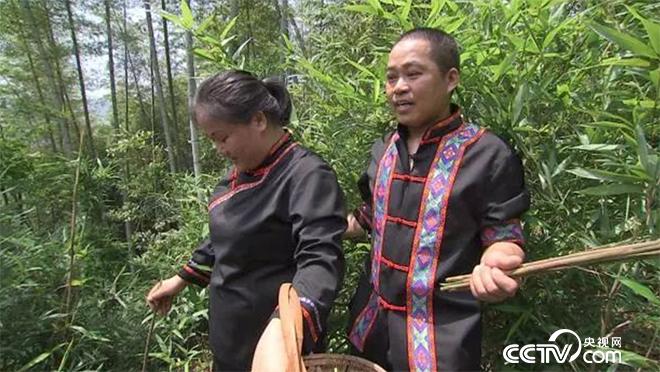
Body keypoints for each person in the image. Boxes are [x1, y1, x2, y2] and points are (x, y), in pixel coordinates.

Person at [344, 28, 530, 371]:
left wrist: (498, 264)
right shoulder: (384, 149)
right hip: (371, 327)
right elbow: (371, 216)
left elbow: (503, 234)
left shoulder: (487, 154)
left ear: (450, 79)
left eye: (413, 74)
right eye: (391, 77)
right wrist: (316, 225)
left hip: (439, 341)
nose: (399, 87)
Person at [146, 70, 347, 371]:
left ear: (258, 120)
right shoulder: (239, 176)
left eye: (222, 137)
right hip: (231, 343)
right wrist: (180, 280)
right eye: (212, 140)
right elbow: (223, 239)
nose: (219, 149)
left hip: (277, 348)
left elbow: (320, 259)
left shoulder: (305, 175)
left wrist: (285, 325)